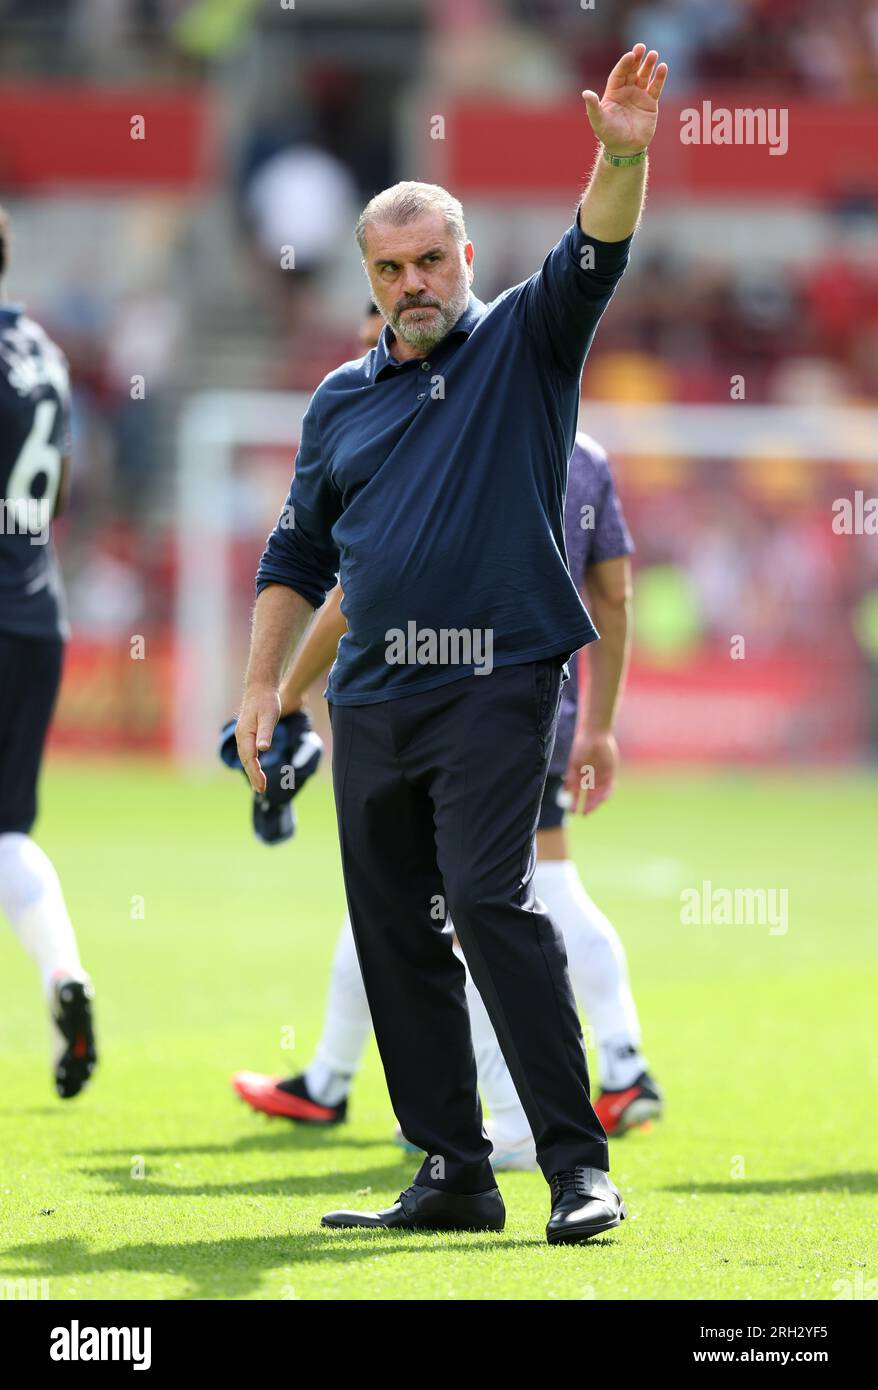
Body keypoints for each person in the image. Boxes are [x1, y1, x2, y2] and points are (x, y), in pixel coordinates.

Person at [235, 45, 668, 1243]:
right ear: (366, 278)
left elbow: (598, 244)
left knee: (488, 902)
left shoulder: (526, 342)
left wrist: (620, 152)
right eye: (389, 268)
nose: (412, 282)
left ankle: (577, 1168)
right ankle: (450, 1172)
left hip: (495, 680)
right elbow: (293, 557)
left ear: (465, 257)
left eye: (431, 259)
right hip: (372, 699)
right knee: (394, 934)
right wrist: (262, 684)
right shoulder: (337, 402)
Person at [0, 206, 97, 1099]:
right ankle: (63, 973)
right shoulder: (44, 351)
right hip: (36, 613)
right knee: (6, 828)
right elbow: (60, 485)